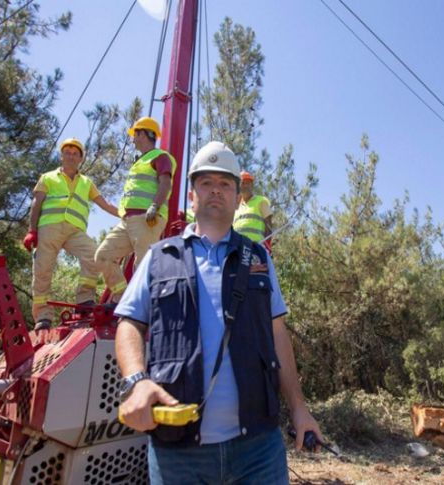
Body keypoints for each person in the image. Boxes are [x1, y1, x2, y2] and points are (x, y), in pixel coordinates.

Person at [115, 141, 321, 484]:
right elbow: (129, 323)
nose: (216, 191)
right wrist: (137, 382)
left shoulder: (258, 258)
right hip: (177, 453)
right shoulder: (160, 256)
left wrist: (299, 409)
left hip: (258, 448)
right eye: (206, 183)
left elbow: (277, 335)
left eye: (225, 184)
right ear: (192, 196)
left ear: (238, 197)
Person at [23, 138, 119, 329]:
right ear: (62, 155)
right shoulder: (48, 177)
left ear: (80, 159)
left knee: (95, 255)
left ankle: (84, 302)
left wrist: (127, 214)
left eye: (75, 153)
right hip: (49, 228)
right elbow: (37, 203)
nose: (71, 156)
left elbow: (105, 204)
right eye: (67, 152)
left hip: (75, 231)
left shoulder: (86, 182)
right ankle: (43, 316)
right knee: (42, 270)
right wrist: (32, 230)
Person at [95, 116, 177, 303]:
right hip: (127, 220)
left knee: (142, 267)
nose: (133, 138)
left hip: (146, 218)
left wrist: (154, 206)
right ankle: (123, 297)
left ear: (146, 134)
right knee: (103, 256)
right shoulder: (139, 162)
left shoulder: (160, 157)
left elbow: (165, 182)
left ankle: (139, 311)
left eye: (136, 134)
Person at [233, 171, 272, 243]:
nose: (245, 186)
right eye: (242, 183)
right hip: (237, 247)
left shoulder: (261, 201)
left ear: (252, 185)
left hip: (255, 246)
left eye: (248, 183)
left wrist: (267, 245)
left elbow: (269, 225)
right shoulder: (236, 206)